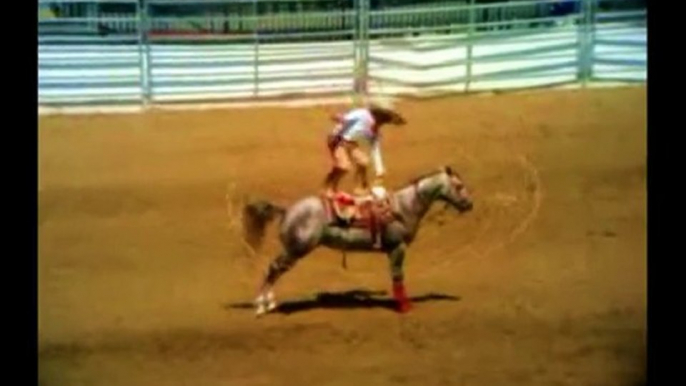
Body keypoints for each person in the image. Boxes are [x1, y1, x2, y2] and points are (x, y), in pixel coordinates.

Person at [323, 98, 406, 200]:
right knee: (344, 166)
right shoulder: (362, 114)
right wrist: (341, 119)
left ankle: (360, 188)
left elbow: (375, 148)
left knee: (364, 162)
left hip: (349, 142)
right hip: (337, 138)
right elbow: (346, 119)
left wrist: (379, 169)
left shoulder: (374, 128)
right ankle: (328, 187)